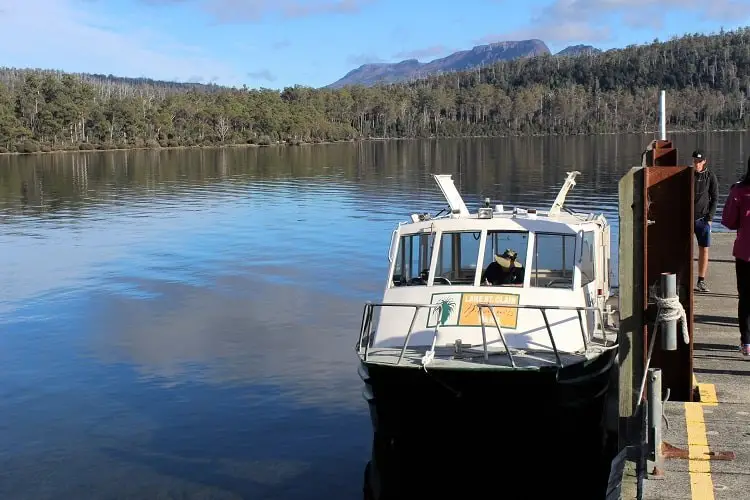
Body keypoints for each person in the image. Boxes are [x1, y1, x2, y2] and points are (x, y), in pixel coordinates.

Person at [720, 156, 750, 356]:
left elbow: (729, 221)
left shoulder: (739, 190)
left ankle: (746, 343)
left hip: (745, 253)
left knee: (746, 298)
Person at [692, 149, 719, 292]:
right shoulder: (688, 175)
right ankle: (681, 280)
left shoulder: (710, 176)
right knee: (684, 249)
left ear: (704, 162)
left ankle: (701, 281)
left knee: (704, 249)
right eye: (695, 161)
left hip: (703, 219)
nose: (696, 164)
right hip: (688, 218)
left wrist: (710, 218)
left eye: (699, 162)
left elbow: (715, 198)